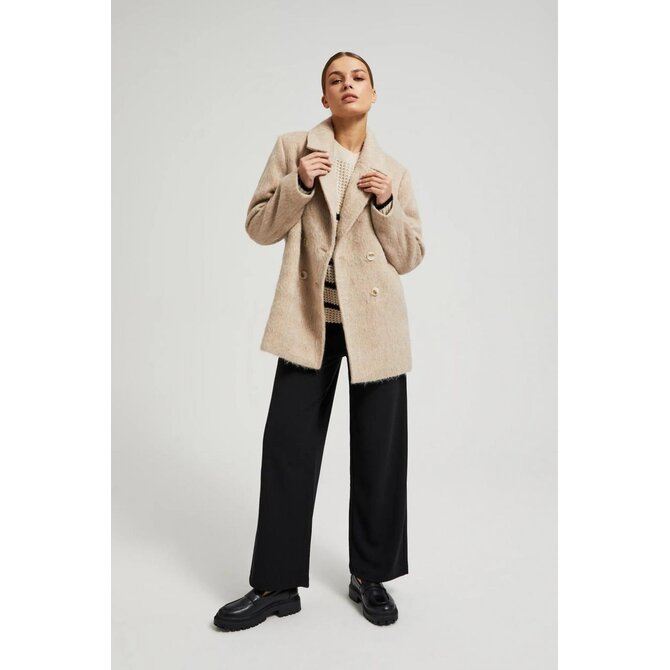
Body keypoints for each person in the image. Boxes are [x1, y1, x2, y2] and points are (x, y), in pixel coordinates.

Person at [214, 51, 425, 631]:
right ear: (324, 97)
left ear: (374, 93)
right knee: (288, 449)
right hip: (309, 321)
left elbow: (410, 256)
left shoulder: (394, 171)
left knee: (380, 455)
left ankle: (371, 576)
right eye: (336, 79)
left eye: (358, 78)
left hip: (376, 327)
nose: (347, 85)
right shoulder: (294, 149)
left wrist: (386, 205)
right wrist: (299, 183)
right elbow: (259, 227)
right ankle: (276, 584)